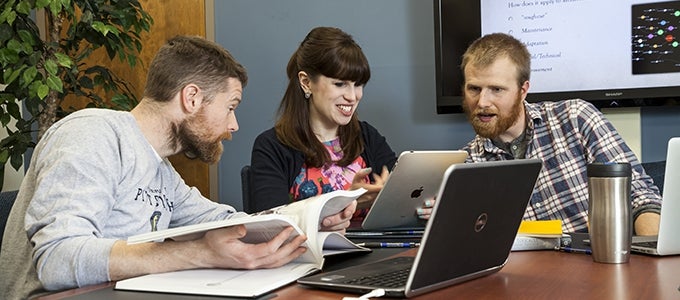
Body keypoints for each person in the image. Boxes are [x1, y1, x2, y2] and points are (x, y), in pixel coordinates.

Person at [0, 35, 355, 299]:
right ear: (192, 98)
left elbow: (226, 221)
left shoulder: (162, 172)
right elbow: (57, 260)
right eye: (231, 107)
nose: (234, 126)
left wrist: (306, 220)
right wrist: (197, 253)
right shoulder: (91, 134)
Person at [450, 32, 662, 234]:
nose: (482, 102)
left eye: (496, 89)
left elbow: (641, 197)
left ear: (523, 91)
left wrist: (651, 254)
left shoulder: (576, 118)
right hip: (523, 270)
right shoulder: (464, 166)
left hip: (597, 262)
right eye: (474, 89)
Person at [249, 27, 397, 224]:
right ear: (306, 82)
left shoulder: (367, 136)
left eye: (358, 84)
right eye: (340, 84)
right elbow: (269, 224)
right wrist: (347, 200)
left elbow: (402, 198)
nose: (353, 97)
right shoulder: (271, 146)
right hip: (307, 254)